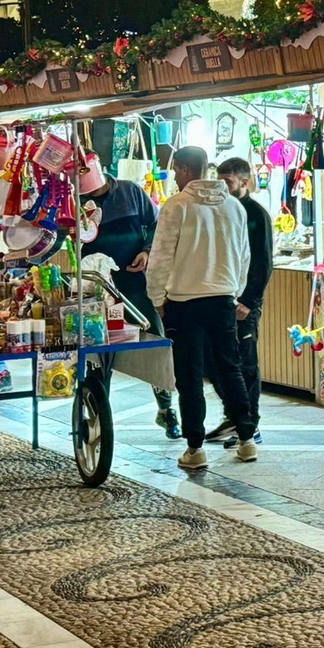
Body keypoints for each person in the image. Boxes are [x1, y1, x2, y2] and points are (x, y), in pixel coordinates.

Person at [146, 145, 257, 469]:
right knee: (230, 369)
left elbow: (161, 258)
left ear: (182, 169)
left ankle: (195, 449)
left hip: (183, 303)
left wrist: (157, 299)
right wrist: (232, 292)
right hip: (223, 299)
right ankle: (247, 440)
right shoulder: (234, 207)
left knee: (189, 377)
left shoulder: (177, 206)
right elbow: (243, 257)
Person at [81, 160, 179, 439]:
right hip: (96, 286)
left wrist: (147, 251)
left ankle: (166, 408)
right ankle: (100, 413)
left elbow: (156, 224)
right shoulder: (75, 200)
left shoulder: (130, 191)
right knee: (99, 350)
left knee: (155, 342)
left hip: (136, 282)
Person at [210, 158, 274, 449]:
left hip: (244, 303)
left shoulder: (256, 215)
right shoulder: (220, 210)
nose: (223, 186)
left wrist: (249, 300)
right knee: (221, 361)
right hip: (221, 297)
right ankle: (233, 415)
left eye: (229, 181)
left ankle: (251, 423)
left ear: (244, 182)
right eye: (219, 180)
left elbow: (262, 261)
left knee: (246, 362)